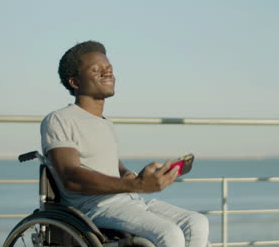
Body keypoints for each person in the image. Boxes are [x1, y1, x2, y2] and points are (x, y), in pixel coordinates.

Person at [40, 40, 210, 247]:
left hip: (128, 201)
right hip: (94, 208)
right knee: (170, 233)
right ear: (75, 82)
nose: (107, 73)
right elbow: (70, 176)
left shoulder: (104, 122)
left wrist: (126, 173)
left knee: (197, 222)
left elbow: (103, 159)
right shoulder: (59, 119)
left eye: (109, 69)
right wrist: (135, 185)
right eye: (97, 70)